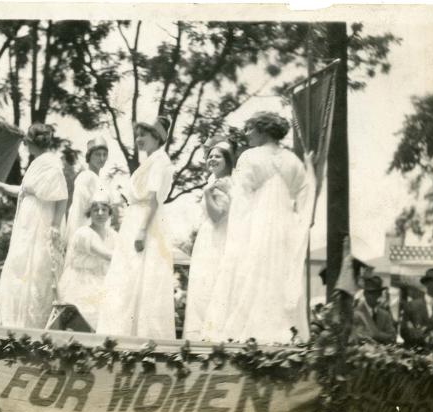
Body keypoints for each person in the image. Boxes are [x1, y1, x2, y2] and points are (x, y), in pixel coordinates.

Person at [202, 112, 315, 343]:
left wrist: (226, 191)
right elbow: (304, 194)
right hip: (284, 228)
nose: (246, 134)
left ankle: (247, 333)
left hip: (257, 224)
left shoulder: (249, 157)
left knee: (249, 272)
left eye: (250, 128)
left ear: (262, 130)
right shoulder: (294, 161)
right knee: (277, 275)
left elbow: (241, 199)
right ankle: (282, 334)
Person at [97, 116, 176, 339]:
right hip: (136, 218)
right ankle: (122, 333)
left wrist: (142, 230)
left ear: (157, 137)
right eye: (138, 135)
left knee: (144, 275)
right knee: (129, 275)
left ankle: (142, 335)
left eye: (144, 135)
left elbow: (153, 199)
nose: (139, 139)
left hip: (147, 221)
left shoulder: (160, 161)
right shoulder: (151, 160)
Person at [0, 123, 68, 329]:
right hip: (27, 220)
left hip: (40, 220)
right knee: (19, 265)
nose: (26, 147)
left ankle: (31, 324)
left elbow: (62, 197)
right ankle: (13, 321)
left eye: (27, 143)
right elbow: (23, 190)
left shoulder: (51, 163)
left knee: (36, 268)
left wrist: (56, 225)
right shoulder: (37, 163)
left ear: (33, 143)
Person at [183, 138, 236, 340]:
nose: (212, 159)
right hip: (206, 239)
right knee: (201, 286)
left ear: (227, 160)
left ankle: (213, 335)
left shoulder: (226, 183)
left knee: (213, 284)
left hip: (219, 239)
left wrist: (206, 194)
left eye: (218, 156)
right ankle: (199, 335)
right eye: (210, 156)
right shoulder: (211, 182)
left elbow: (217, 216)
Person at [57, 193, 117, 329]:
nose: (100, 213)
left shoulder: (113, 235)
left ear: (109, 213)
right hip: (80, 279)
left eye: (104, 210)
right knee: (98, 304)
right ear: (90, 213)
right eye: (95, 210)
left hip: (101, 278)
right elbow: (107, 255)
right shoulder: (83, 233)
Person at [65, 136, 109, 246]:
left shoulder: (101, 180)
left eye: (104, 154)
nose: (102, 158)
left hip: (100, 231)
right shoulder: (85, 177)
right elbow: (78, 210)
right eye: (98, 154)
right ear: (89, 156)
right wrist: (76, 240)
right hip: (87, 234)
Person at [401, 268, 433, 349]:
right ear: (427, 284)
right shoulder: (411, 306)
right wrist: (415, 334)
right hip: (410, 355)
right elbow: (403, 332)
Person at [350, 276, 396, 344]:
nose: (375, 296)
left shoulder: (385, 314)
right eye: (371, 293)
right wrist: (382, 335)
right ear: (365, 294)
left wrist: (375, 334)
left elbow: (392, 336)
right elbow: (358, 337)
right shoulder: (356, 313)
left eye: (378, 293)